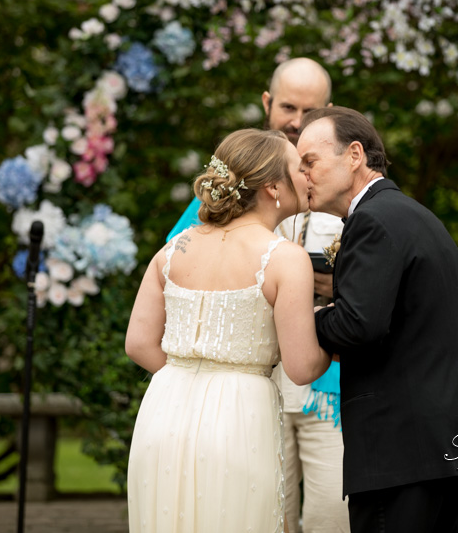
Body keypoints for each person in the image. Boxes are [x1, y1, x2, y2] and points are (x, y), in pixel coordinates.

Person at [166, 57, 349, 533]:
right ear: (267, 103)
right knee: (261, 518)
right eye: (288, 106)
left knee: (334, 517)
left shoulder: (347, 183)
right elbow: (178, 268)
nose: (295, 121)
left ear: (327, 111)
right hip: (247, 391)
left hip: (329, 390)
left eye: (309, 112)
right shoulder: (232, 184)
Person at [296, 106, 458, 533]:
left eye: (310, 162)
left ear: (354, 155)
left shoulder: (370, 221)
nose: (303, 176)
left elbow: (358, 326)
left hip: (399, 450)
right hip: (446, 446)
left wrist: (307, 318)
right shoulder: (417, 217)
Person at [125, 128, 331, 532]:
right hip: (239, 418)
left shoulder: (173, 250)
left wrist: (190, 379)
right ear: (273, 186)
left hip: (161, 413)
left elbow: (137, 344)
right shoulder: (285, 259)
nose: (307, 177)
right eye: (298, 168)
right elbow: (302, 367)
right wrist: (340, 327)